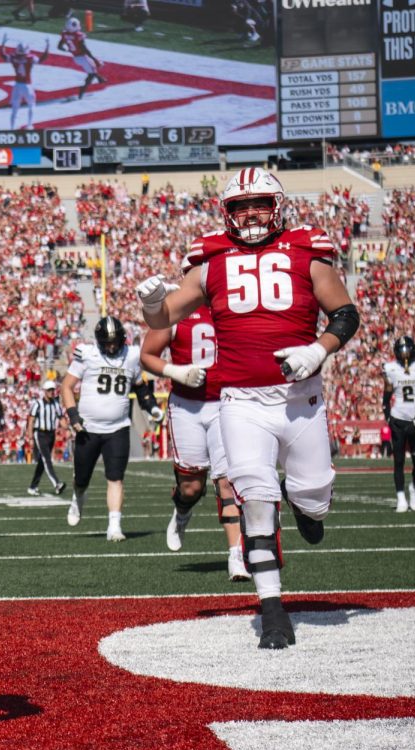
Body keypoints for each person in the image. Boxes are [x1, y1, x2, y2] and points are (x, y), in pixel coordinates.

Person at [138, 166, 360, 650]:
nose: (251, 213)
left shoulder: (307, 249)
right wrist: (151, 304)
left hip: (300, 400)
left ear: (278, 206)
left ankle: (307, 508)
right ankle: (273, 610)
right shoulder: (211, 257)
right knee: (255, 502)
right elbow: (163, 318)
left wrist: (318, 350)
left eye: (259, 203)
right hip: (238, 401)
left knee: (314, 497)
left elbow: (345, 314)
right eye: (240, 206)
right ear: (227, 213)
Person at [140, 311, 250, 581]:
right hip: (187, 406)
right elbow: (147, 354)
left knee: (227, 482)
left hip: (226, 401)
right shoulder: (176, 308)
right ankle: (182, 509)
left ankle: (236, 554)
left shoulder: (231, 301)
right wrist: (174, 370)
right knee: (191, 487)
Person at [61, 316, 163, 541]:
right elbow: (66, 387)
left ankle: (114, 525)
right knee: (81, 478)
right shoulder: (86, 354)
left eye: (115, 342)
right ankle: (78, 498)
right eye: (107, 342)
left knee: (115, 477)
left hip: (118, 428)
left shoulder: (131, 356)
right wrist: (73, 414)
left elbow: (140, 388)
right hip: (87, 429)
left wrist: (152, 407)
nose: (112, 346)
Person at [383, 335, 415, 512]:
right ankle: (400, 497)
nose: (405, 353)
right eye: (401, 350)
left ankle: (414, 487)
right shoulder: (390, 368)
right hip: (398, 419)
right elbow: (386, 397)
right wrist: (389, 418)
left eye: (407, 349)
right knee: (398, 461)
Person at [26, 379, 67, 496]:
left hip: (51, 434)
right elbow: (31, 420)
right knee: (47, 459)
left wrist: (68, 428)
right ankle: (57, 483)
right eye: (49, 390)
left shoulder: (56, 404)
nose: (51, 392)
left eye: (53, 390)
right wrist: (30, 437)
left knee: (42, 462)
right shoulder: (38, 404)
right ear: (44, 391)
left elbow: (61, 418)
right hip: (40, 433)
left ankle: (33, 486)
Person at [1, 37, 49, 131]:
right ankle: (30, 125)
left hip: (17, 85)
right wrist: (47, 47)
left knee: (15, 109)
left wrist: (3, 45)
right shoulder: (30, 58)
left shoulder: (13, 57)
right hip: (27, 85)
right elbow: (42, 59)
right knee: (32, 105)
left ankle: (12, 128)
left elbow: (3, 55)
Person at [58, 17, 106, 101]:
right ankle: (81, 92)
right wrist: (93, 58)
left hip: (76, 58)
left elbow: (59, 46)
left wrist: (67, 49)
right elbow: (84, 48)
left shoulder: (64, 34)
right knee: (92, 73)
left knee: (92, 70)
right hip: (83, 57)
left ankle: (100, 79)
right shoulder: (78, 35)